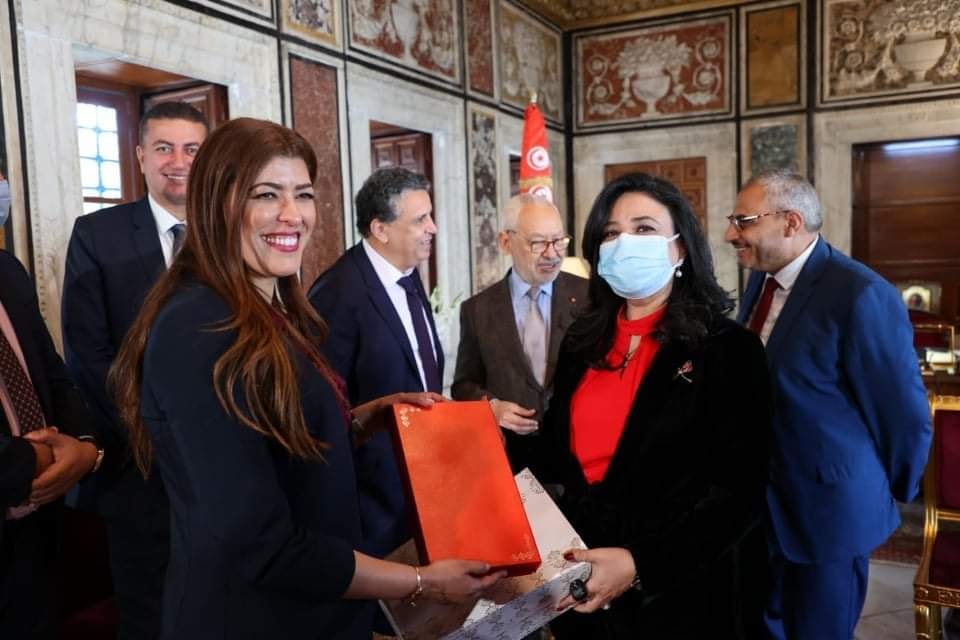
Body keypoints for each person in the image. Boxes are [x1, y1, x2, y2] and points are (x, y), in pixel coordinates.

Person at [109, 118, 503, 639]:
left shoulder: (272, 309)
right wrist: (421, 581)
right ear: (216, 204)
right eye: (266, 195)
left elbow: (277, 442)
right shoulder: (197, 327)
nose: (292, 215)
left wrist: (364, 419)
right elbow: (262, 544)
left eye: (303, 194)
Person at [534, 173, 771, 638]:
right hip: (584, 579)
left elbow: (738, 492)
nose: (624, 242)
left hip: (684, 591)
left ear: (679, 248)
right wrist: (493, 428)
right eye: (611, 233)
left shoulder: (727, 348)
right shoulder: (582, 341)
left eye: (643, 228)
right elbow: (560, 455)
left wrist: (641, 563)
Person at [727, 169, 931, 640]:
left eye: (743, 221)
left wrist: (884, 490)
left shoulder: (861, 294)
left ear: (791, 222)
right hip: (761, 506)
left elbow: (903, 415)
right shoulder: (761, 281)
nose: (730, 234)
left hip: (828, 512)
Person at [61, 101, 209, 639]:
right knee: (150, 615)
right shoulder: (97, 234)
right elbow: (87, 353)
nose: (178, 161)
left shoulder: (231, 234)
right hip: (138, 465)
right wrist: (156, 429)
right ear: (141, 155)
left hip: (223, 464)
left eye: (191, 149)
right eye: (164, 148)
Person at [308, 167, 443, 556]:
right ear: (380, 229)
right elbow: (326, 413)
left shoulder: (408, 274)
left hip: (421, 487)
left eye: (430, 216)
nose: (432, 228)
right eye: (420, 220)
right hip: (372, 508)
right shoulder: (337, 293)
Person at [0, 249, 102, 638]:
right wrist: (39, 458)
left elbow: (53, 375)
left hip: (38, 534)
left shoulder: (7, 269)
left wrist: (86, 449)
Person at [452, 193, 587, 472]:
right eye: (538, 243)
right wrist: (492, 407)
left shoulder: (590, 297)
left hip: (578, 455)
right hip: (508, 458)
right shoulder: (477, 310)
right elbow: (464, 384)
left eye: (558, 241)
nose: (552, 253)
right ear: (505, 242)